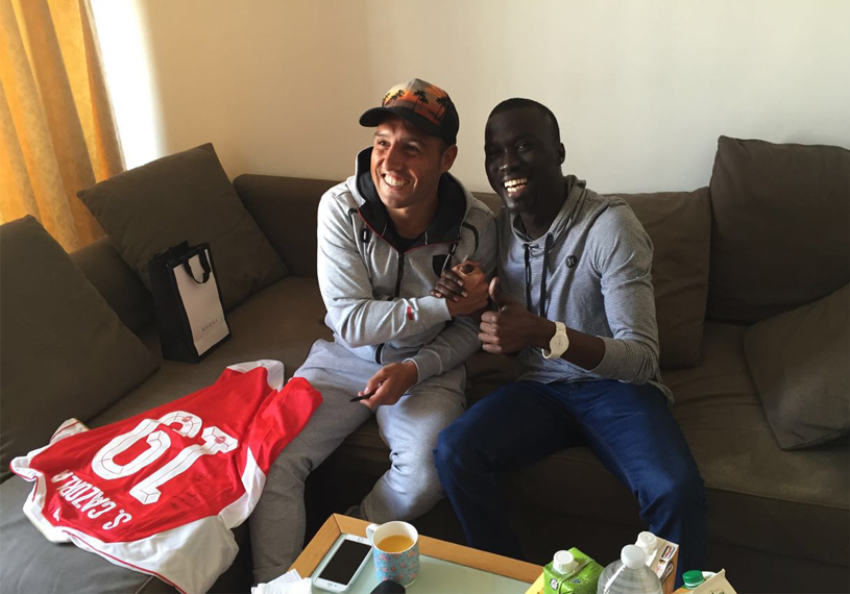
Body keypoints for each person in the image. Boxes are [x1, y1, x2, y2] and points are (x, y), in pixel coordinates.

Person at [432, 98, 707, 584]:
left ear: (559, 152)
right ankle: (513, 581)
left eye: (524, 147)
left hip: (617, 389)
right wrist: (461, 295)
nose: (507, 163)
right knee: (455, 450)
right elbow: (494, 311)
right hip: (540, 390)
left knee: (675, 490)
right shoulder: (498, 227)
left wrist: (543, 332)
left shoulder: (610, 226)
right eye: (494, 152)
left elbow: (642, 359)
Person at [248, 79, 497, 583]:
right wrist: (440, 304)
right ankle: (276, 586)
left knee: (426, 476)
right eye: (383, 142)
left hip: (427, 366)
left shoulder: (478, 225)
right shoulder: (339, 207)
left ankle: (341, 545)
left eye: (412, 148)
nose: (390, 161)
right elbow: (351, 322)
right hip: (343, 358)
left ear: (447, 158)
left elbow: (471, 328)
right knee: (271, 458)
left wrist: (414, 367)